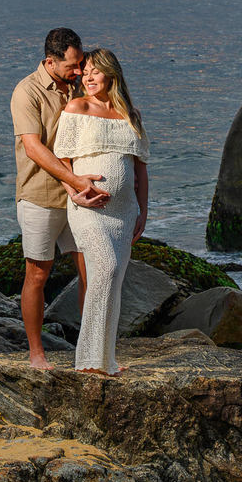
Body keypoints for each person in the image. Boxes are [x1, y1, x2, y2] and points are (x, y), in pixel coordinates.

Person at [11, 28, 110, 370]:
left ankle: (90, 350)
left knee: (90, 270)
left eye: (82, 64)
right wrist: (73, 180)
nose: (80, 71)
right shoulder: (27, 91)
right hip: (40, 195)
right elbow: (33, 147)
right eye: (73, 65)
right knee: (38, 274)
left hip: (80, 196)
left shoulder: (80, 86)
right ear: (50, 61)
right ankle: (37, 353)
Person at [53, 48, 149, 375]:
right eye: (86, 72)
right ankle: (88, 360)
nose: (88, 77)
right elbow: (62, 161)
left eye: (95, 71)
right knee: (105, 269)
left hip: (124, 212)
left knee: (114, 281)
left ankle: (105, 359)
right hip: (86, 207)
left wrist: (143, 211)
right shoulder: (76, 107)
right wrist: (75, 193)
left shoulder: (131, 115)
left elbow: (140, 170)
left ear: (111, 74)